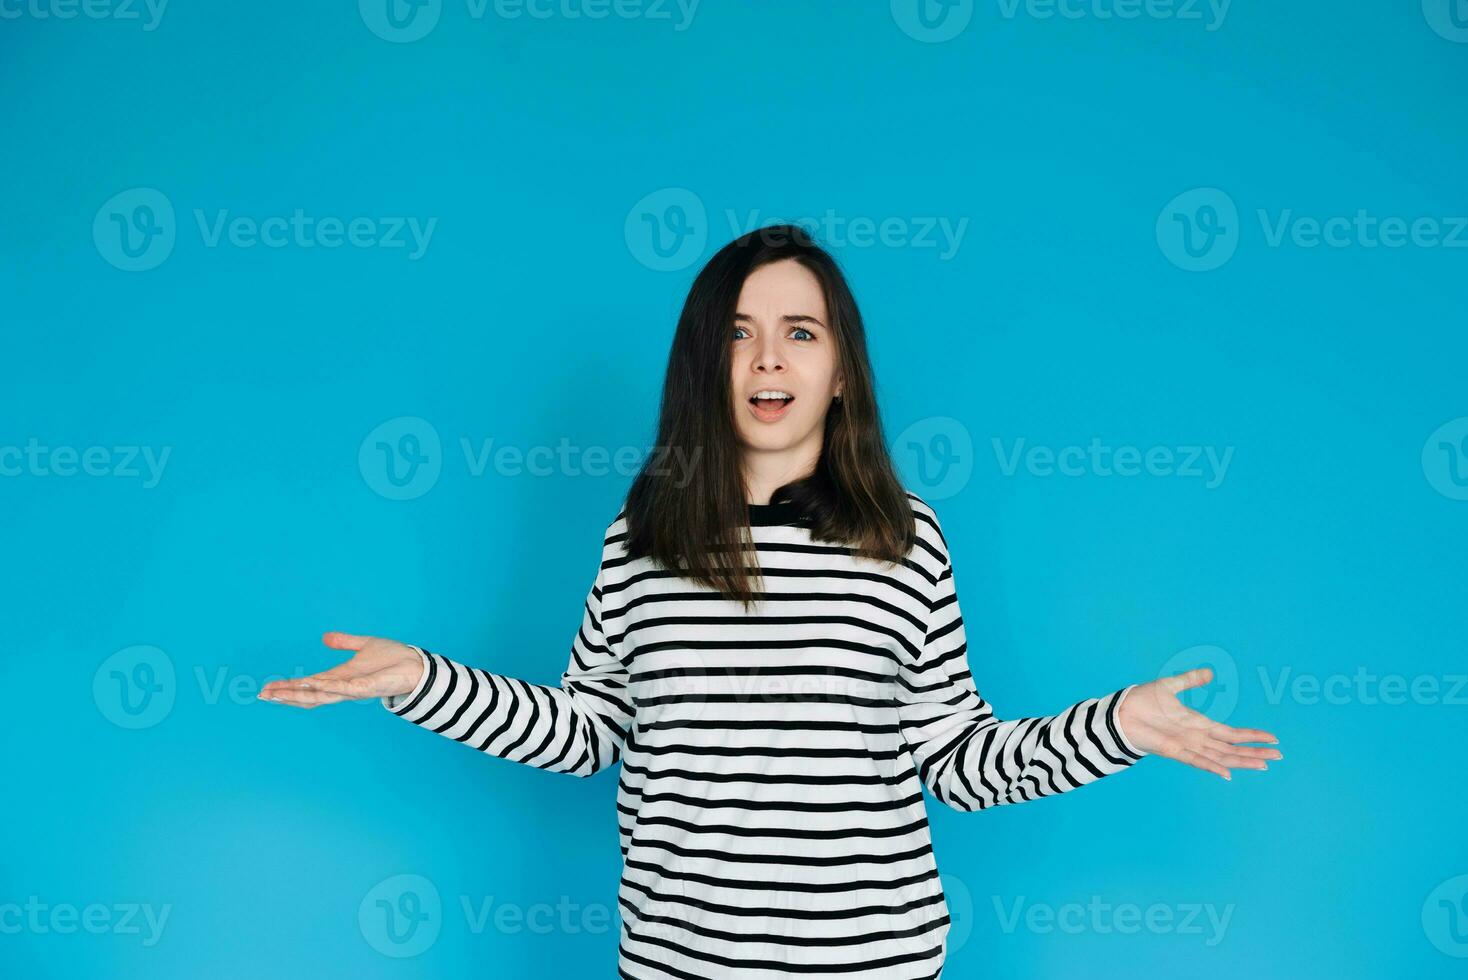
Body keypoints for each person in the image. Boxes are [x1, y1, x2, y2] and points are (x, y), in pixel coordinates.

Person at [259, 224, 1282, 979]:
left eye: (800, 331)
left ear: (840, 370)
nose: (768, 358)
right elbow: (585, 730)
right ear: (707, 365)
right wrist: (418, 679)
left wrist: (1116, 725)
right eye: (741, 333)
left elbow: (958, 762)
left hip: (873, 963)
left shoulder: (903, 536)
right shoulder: (643, 534)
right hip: (677, 963)